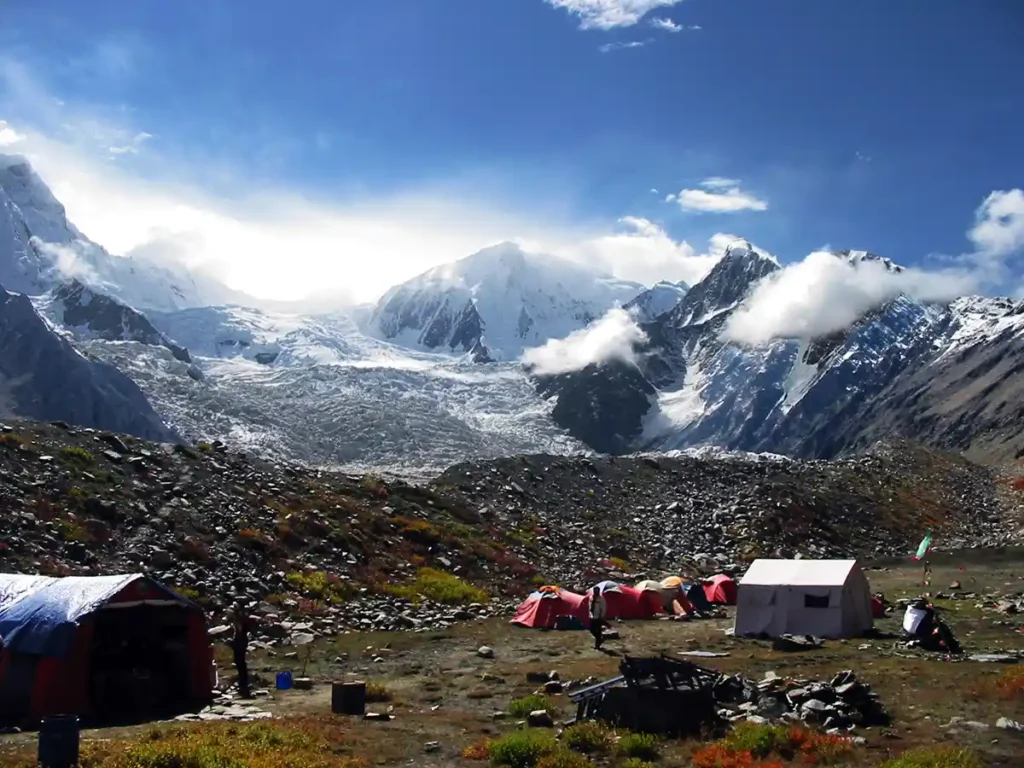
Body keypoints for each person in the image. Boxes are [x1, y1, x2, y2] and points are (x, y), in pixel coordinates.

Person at [230, 607, 252, 699]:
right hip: (240, 642)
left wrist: (233, 643)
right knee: (240, 663)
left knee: (240, 664)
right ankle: (242, 684)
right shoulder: (241, 619)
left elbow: (239, 630)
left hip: (240, 642)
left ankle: (243, 684)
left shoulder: (240, 621)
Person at [588, 585, 608, 650]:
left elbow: (603, 608)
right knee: (591, 629)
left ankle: (597, 645)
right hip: (592, 616)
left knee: (598, 631)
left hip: (598, 617)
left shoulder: (601, 599)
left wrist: (602, 616)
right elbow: (589, 606)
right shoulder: (591, 598)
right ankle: (600, 639)